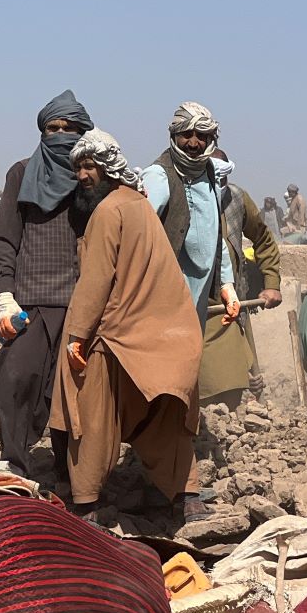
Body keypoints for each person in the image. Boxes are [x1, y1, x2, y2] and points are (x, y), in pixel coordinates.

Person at [49, 132, 209, 520]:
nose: (83, 176)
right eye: (79, 169)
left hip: (112, 333)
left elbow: (96, 280)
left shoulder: (108, 212)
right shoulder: (139, 205)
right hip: (160, 333)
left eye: (90, 167)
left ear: (108, 167)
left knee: (92, 416)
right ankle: (184, 496)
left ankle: (85, 502)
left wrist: (78, 337)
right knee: (164, 417)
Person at [0, 89, 93, 481]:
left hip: (80, 300)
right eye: (54, 128)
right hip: (31, 301)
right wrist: (5, 295)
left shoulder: (92, 179)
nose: (61, 135)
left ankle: (74, 476)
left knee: (72, 391)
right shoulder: (22, 172)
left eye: (71, 129)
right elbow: (5, 238)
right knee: (15, 380)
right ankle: (14, 466)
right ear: (41, 131)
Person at [140, 102, 240, 328]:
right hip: (162, 301)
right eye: (186, 135)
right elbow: (137, 238)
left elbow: (215, 236)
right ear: (174, 135)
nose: (193, 143)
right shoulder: (158, 177)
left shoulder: (210, 173)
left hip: (198, 300)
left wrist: (227, 284)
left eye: (201, 135)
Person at [202, 148, 283, 406]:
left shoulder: (237, 198)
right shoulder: (183, 199)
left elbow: (264, 240)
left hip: (232, 301)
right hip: (196, 303)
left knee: (233, 381)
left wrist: (271, 284)